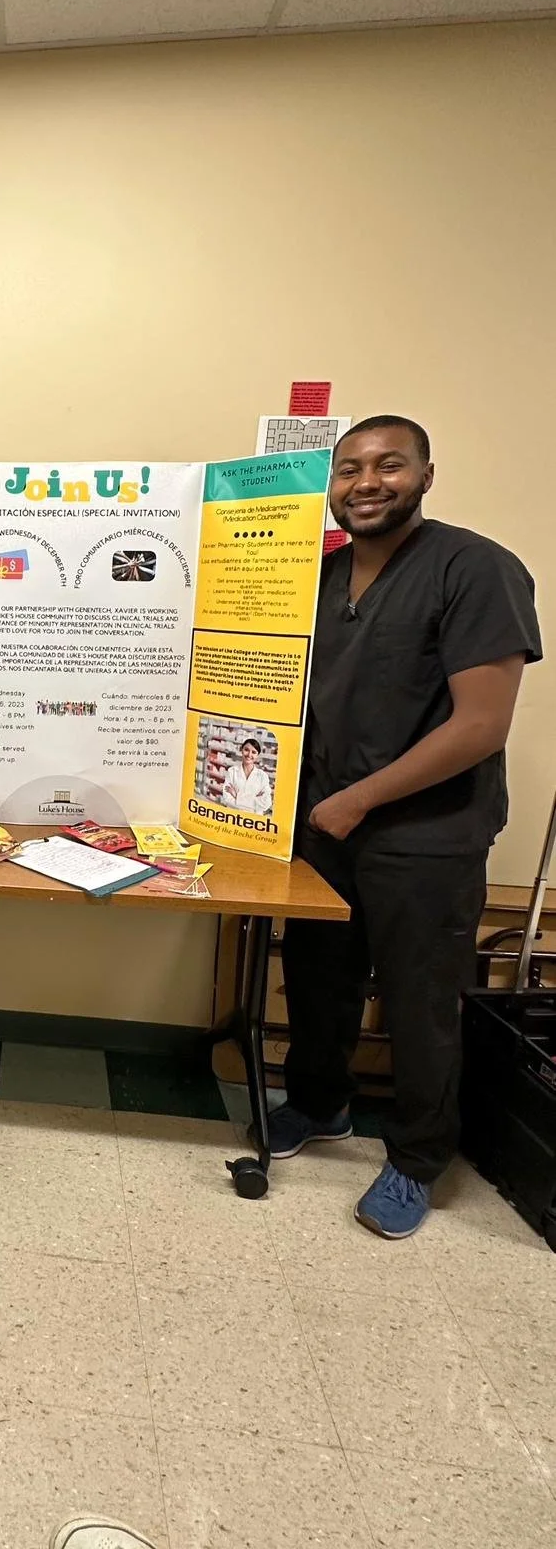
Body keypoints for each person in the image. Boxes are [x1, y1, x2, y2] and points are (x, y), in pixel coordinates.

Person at [270, 415, 542, 1237]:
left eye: (390, 465)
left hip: (426, 834)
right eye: (349, 468)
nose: (367, 482)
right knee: (318, 977)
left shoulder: (476, 569)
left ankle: (418, 1159)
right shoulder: (319, 577)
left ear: (427, 475)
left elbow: (480, 725)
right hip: (319, 825)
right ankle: (320, 1106)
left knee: (422, 1001)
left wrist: (360, 799)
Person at [220, 736, 272, 813]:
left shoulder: (263, 776)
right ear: (241, 750)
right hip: (234, 817)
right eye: (246, 750)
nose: (249, 754)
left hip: (252, 820)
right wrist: (254, 801)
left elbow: (266, 803)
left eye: (254, 752)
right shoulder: (232, 771)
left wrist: (236, 796)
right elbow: (227, 798)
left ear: (257, 755)